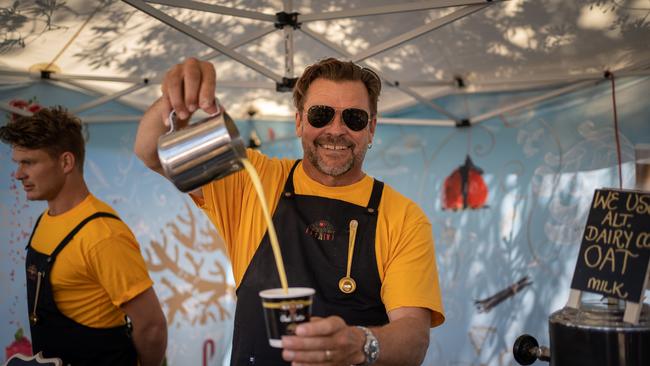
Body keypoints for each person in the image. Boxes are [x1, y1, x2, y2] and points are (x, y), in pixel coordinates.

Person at [135, 57, 444, 365]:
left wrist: (361, 343)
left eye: (354, 118)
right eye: (320, 115)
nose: (336, 130)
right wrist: (174, 101)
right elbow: (151, 151)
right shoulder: (251, 180)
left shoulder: (403, 216)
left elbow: (414, 337)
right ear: (299, 122)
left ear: (371, 129)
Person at [0, 107, 167, 366]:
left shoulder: (103, 235)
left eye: (29, 162)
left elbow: (152, 327)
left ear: (66, 162)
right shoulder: (45, 220)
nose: (18, 174)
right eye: (18, 163)